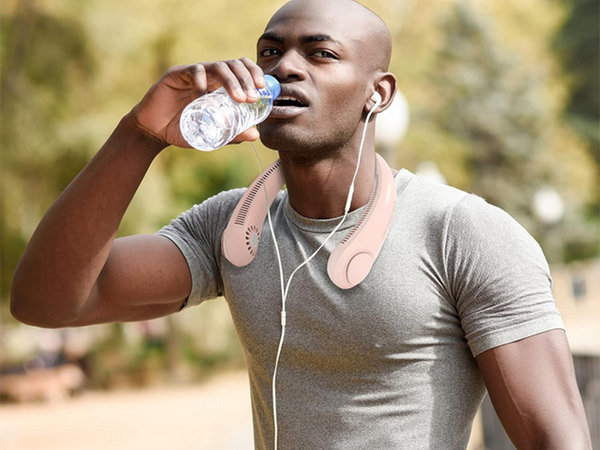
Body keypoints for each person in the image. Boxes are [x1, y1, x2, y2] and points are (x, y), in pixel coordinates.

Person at [11, 0, 592, 449]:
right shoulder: (232, 225)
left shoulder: (463, 233)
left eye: (321, 54)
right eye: (270, 52)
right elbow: (49, 302)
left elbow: (555, 438)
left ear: (378, 94)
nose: (284, 67)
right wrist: (137, 136)